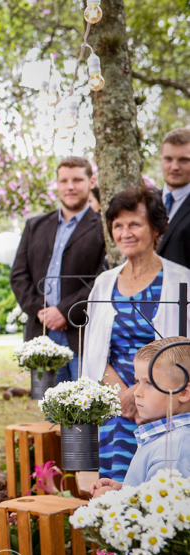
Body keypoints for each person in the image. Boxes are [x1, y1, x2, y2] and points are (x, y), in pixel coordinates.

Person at [83, 187, 190, 483]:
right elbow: (93, 350)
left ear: (156, 229)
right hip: (114, 403)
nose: (125, 233)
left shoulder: (182, 280)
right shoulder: (104, 284)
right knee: (110, 490)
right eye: (118, 225)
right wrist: (123, 395)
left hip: (164, 408)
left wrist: (145, 396)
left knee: (160, 494)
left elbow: (185, 355)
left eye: (134, 224)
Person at [10, 156, 106, 383]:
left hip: (81, 332)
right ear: (57, 184)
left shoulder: (104, 228)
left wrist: (64, 311)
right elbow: (18, 276)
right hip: (41, 332)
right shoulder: (35, 225)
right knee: (48, 408)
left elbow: (102, 279)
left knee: (84, 409)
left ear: (91, 182)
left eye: (77, 180)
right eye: (64, 181)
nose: (70, 186)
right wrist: (39, 310)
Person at [90, 336, 190, 497]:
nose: (136, 392)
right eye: (137, 381)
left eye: (149, 383)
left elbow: (159, 517)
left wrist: (110, 501)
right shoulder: (165, 441)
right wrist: (125, 490)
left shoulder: (171, 454)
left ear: (184, 392)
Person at [157, 128, 190, 268]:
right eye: (168, 159)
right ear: (161, 160)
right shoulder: (146, 202)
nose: (174, 167)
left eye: (184, 160)